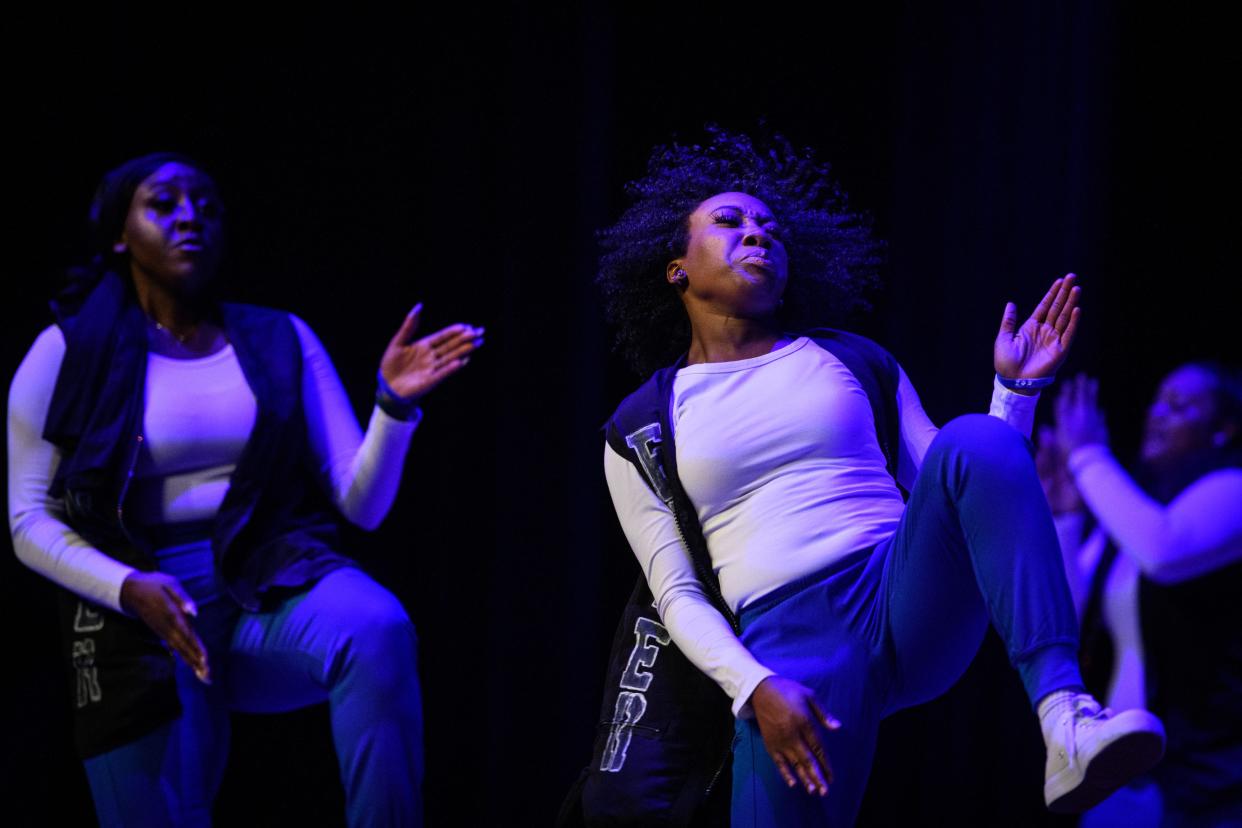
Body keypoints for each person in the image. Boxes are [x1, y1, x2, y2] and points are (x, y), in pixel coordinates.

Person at [595, 128, 1165, 826]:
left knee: (975, 435)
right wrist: (754, 686)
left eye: (770, 227)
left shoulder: (853, 360)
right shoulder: (643, 422)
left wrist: (1013, 393)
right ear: (676, 268)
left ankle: (1065, 719)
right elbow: (677, 591)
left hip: (902, 590)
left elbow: (970, 484)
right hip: (788, 643)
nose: (757, 234)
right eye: (730, 221)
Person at [7, 152, 483, 827]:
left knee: (376, 627)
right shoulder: (65, 350)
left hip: (263, 581)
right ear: (120, 234)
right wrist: (126, 588)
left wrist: (393, 408)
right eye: (163, 203)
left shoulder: (277, 337)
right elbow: (28, 519)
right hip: (136, 609)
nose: (189, 216)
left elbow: (361, 504)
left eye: (204, 203)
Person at [1041, 367, 1242, 827]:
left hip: (1210, 778)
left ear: (1224, 429)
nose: (1156, 414)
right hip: (1121, 773)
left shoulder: (1233, 489)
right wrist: (1068, 517)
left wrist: (1088, 453)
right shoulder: (1135, 512)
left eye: (1178, 405)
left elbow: (1164, 551)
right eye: (1156, 401)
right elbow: (1065, 620)